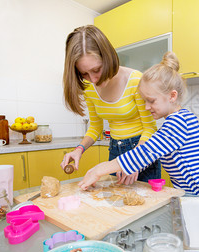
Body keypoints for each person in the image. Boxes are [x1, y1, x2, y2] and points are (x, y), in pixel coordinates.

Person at [78, 51, 199, 197]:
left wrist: (99, 170)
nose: (146, 107)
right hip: (191, 195)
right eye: (145, 101)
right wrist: (130, 165)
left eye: (151, 101)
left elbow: (144, 152)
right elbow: (149, 154)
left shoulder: (179, 122)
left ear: (172, 96)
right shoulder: (177, 120)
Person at [60, 25, 161, 184]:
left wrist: (134, 160)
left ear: (107, 58)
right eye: (84, 74)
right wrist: (78, 150)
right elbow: (95, 127)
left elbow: (150, 128)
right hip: (115, 151)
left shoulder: (135, 80)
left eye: (97, 69)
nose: (93, 80)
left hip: (142, 149)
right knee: (116, 205)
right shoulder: (88, 88)